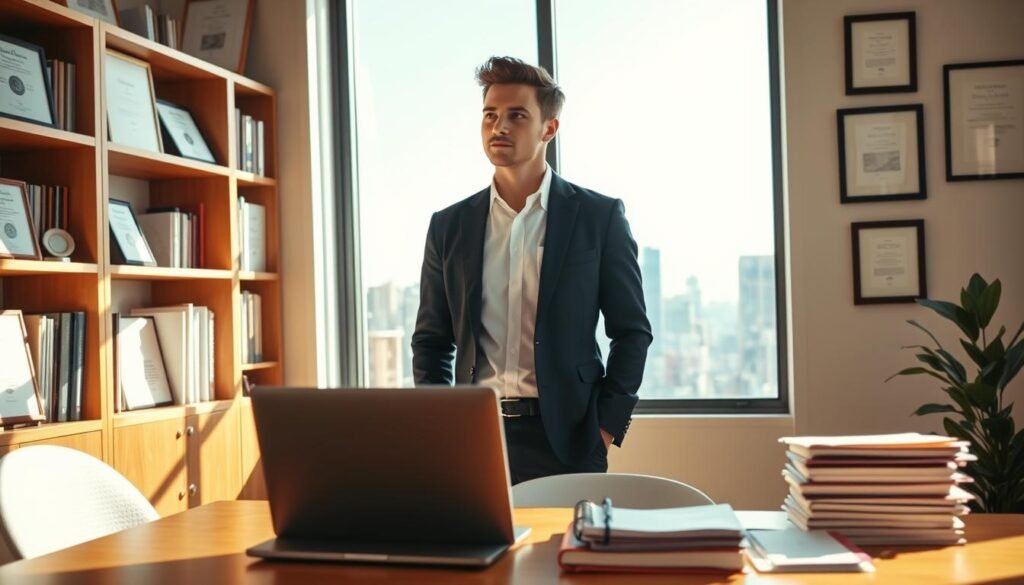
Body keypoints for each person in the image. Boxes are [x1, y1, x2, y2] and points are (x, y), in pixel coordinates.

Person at [412, 56, 651, 484]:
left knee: (567, 552)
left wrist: (606, 427)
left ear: (549, 128)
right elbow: (431, 341)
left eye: (516, 116)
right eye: (490, 115)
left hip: (569, 438)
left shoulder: (599, 217)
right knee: (484, 552)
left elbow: (632, 332)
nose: (498, 127)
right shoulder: (448, 226)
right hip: (475, 438)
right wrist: (440, 426)